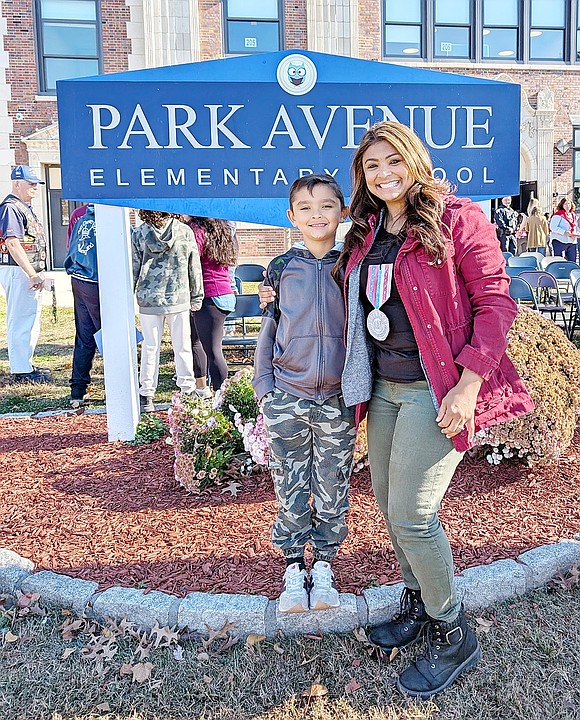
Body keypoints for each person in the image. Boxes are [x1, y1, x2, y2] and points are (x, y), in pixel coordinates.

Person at [259, 123, 534, 697]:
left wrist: (468, 385)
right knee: (388, 504)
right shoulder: (366, 231)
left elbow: (496, 301)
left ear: (414, 160)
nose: (383, 174)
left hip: (438, 388)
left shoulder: (457, 219)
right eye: (371, 166)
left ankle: (453, 629)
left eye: (393, 161)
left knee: (412, 511)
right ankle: (416, 602)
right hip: (382, 387)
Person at [253, 174, 355, 614]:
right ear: (291, 216)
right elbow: (270, 329)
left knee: (333, 485)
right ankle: (295, 566)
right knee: (290, 484)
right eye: (306, 207)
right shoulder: (279, 269)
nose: (317, 215)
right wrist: (264, 390)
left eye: (327, 206)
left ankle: (326, 565)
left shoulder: (353, 265)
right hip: (287, 397)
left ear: (343, 213)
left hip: (336, 400)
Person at [132, 210, 203, 412]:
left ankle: (146, 394)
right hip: (178, 296)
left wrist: (129, 295)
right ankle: (187, 389)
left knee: (150, 347)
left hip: (148, 298)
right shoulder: (184, 231)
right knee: (182, 347)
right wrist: (197, 295)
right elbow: (194, 266)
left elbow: (133, 267)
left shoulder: (139, 233)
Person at [0, 165, 51, 383]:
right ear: (17, 183)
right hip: (17, 269)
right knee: (21, 319)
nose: (35, 188)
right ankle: (21, 371)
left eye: (36, 184)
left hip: (24, 270)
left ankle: (25, 363)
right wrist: (31, 274)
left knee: (29, 317)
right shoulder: (11, 208)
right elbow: (12, 242)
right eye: (30, 184)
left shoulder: (23, 206)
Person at [183, 216, 238, 396]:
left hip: (209, 295)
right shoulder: (222, 226)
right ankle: (203, 388)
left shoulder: (196, 229)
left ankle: (221, 396)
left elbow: (190, 260)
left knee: (213, 351)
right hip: (224, 293)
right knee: (197, 341)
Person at [64, 203, 100, 407]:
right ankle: (120, 384)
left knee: (84, 334)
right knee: (111, 334)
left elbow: (70, 246)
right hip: (98, 280)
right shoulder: (112, 216)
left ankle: (78, 389)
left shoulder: (80, 216)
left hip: (79, 278)